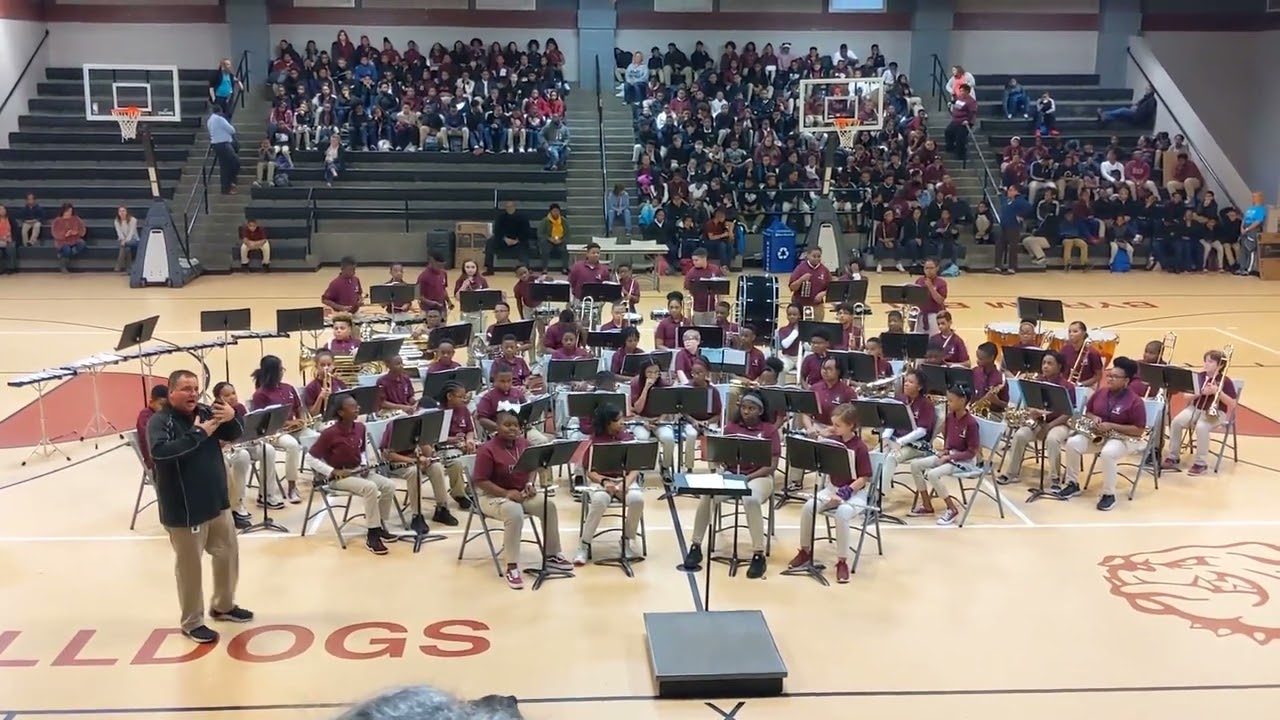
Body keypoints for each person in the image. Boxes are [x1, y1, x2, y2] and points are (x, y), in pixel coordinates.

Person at [147, 369, 251, 644]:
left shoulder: (206, 411)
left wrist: (232, 418)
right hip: (185, 509)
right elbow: (160, 453)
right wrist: (197, 433)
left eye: (195, 388)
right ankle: (192, 622)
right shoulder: (160, 421)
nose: (193, 393)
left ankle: (224, 605)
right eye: (185, 388)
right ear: (171, 393)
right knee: (190, 569)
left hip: (216, 502)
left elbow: (234, 433)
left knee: (228, 555)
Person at [473, 409, 576, 589]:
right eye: (507, 425)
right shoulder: (486, 449)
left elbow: (532, 467)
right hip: (492, 496)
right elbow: (480, 481)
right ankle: (512, 566)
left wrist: (530, 484)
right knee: (514, 511)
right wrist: (505, 493)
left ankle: (552, 554)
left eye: (516, 425)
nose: (512, 429)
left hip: (520, 493)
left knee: (548, 505)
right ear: (497, 427)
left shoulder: (524, 444)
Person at [682, 391, 779, 579]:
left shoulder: (769, 431)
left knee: (750, 500)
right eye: (743, 407)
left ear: (760, 410)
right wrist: (721, 461)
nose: (746, 411)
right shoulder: (731, 427)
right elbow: (721, 456)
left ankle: (758, 554)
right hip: (732, 475)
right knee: (707, 495)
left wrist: (748, 478)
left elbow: (772, 465)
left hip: (759, 477)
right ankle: (695, 545)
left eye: (751, 408)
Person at [787, 403, 872, 584]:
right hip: (832, 489)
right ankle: (805, 551)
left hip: (856, 493)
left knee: (842, 514)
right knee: (808, 507)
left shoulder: (860, 447)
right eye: (833, 424)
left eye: (838, 425)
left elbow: (864, 478)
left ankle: (842, 561)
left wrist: (845, 493)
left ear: (851, 425)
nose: (833, 428)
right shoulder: (834, 440)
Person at [306, 394, 401, 555]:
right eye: (352, 407)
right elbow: (310, 457)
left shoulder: (360, 428)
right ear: (341, 413)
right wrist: (333, 471)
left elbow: (362, 450)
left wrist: (364, 465)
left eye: (357, 406)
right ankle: (372, 535)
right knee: (370, 488)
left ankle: (379, 524)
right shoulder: (329, 433)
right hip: (339, 478)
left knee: (389, 485)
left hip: (358, 471)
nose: (357, 409)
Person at [1060, 357, 1148, 510]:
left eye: (1115, 377)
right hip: (1098, 435)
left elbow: (1139, 430)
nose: (1110, 379)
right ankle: (1072, 484)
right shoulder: (1101, 392)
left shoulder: (1135, 401)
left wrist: (1111, 426)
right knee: (1072, 443)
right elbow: (1089, 412)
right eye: (1109, 375)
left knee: (1107, 453)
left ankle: (1109, 494)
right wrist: (1094, 418)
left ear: (1126, 381)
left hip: (1124, 439)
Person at [575, 403, 646, 566]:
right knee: (600, 501)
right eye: (618, 419)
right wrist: (605, 482)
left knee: (637, 500)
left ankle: (626, 541)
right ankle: (584, 545)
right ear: (607, 422)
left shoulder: (628, 438)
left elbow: (634, 468)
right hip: (601, 482)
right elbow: (590, 472)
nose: (622, 422)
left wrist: (625, 484)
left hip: (624, 481)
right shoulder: (593, 442)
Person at [999, 350, 1076, 488]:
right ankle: (1012, 473)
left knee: (1052, 439)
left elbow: (1068, 413)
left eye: (1050, 363)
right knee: (1020, 435)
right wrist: (1032, 413)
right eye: (1044, 363)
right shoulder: (1036, 382)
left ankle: (1054, 479)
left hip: (1060, 423)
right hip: (1040, 422)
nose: (1045, 366)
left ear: (1059, 367)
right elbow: (1030, 404)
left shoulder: (1067, 387)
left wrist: (1049, 426)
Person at [906, 385, 977, 525]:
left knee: (933, 474)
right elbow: (950, 442)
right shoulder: (950, 418)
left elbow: (972, 452)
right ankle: (927, 505)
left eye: (951, 401)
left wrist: (950, 457)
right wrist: (945, 451)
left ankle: (952, 509)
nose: (948, 403)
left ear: (962, 401)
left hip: (965, 462)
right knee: (915, 465)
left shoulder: (971, 423)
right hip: (950, 456)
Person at [1162, 349, 1238, 476]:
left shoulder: (1225, 381)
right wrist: (1200, 392)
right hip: (1195, 408)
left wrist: (1217, 392)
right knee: (1176, 422)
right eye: (1205, 361)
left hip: (1216, 412)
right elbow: (1186, 397)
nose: (1206, 364)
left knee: (1201, 426)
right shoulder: (1198, 377)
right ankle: (1173, 456)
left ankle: (1201, 463)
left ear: (1220, 365)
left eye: (1210, 362)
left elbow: (1232, 404)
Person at [250, 355, 311, 503]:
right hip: (274, 432)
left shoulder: (288, 388)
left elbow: (299, 408)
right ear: (272, 372)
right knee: (292, 445)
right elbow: (261, 421)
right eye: (280, 369)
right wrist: (285, 425)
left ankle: (322, 476)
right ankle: (292, 487)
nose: (282, 372)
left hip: (294, 428)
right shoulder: (260, 394)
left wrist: (301, 420)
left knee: (315, 437)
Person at [484, 201, 532, 275]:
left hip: (518, 241)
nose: (509, 208)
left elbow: (526, 232)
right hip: (503, 240)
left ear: (514, 207)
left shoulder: (523, 218)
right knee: (490, 242)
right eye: (507, 207)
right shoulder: (501, 217)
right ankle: (489, 268)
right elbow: (497, 231)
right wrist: (504, 239)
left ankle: (526, 269)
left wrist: (517, 240)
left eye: (511, 207)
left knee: (523, 247)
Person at [787, 247, 831, 320]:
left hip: (817, 305)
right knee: (799, 327)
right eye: (814, 256)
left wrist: (823, 293)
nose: (816, 259)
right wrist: (801, 279)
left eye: (819, 256)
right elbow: (792, 287)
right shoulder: (800, 268)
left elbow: (831, 287)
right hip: (800, 305)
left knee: (816, 327)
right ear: (808, 256)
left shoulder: (824, 270)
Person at [135, 384, 168, 472]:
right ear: (151, 402)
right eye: (161, 405)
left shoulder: (164, 414)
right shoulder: (145, 415)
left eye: (167, 405)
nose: (164, 408)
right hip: (155, 463)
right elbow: (148, 439)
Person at [207, 107, 239, 195]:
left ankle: (225, 188)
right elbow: (232, 130)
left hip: (216, 145)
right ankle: (232, 182)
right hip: (224, 144)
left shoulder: (210, 120)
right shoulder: (220, 119)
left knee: (224, 167)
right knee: (235, 162)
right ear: (220, 111)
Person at [915, 258, 947, 333]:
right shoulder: (919, 281)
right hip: (921, 315)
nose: (929, 270)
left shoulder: (941, 283)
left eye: (931, 268)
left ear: (937, 268)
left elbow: (940, 301)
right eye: (926, 268)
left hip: (935, 315)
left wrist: (931, 287)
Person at [51, 203, 86, 273]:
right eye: (67, 211)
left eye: (70, 211)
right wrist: (65, 235)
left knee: (82, 243)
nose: (69, 213)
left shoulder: (76, 219)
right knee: (66, 249)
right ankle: (63, 266)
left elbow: (83, 231)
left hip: (74, 240)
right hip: (62, 242)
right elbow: (55, 233)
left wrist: (77, 232)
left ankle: (69, 252)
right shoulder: (57, 221)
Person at [538, 203, 571, 273]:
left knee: (565, 250)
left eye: (557, 211)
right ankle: (544, 268)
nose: (556, 213)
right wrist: (549, 239)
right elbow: (540, 233)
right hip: (549, 240)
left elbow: (567, 234)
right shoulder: (545, 221)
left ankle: (565, 267)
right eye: (554, 211)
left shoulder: (564, 221)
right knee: (545, 249)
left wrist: (561, 240)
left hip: (560, 240)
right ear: (551, 212)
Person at [113, 205, 140, 274]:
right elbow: (119, 232)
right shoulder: (117, 221)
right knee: (127, 248)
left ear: (126, 212)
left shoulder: (133, 220)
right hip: (122, 240)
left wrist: (126, 241)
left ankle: (119, 265)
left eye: (123, 211)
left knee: (126, 245)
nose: (122, 213)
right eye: (120, 211)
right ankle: (129, 269)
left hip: (134, 239)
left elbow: (131, 232)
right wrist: (123, 240)